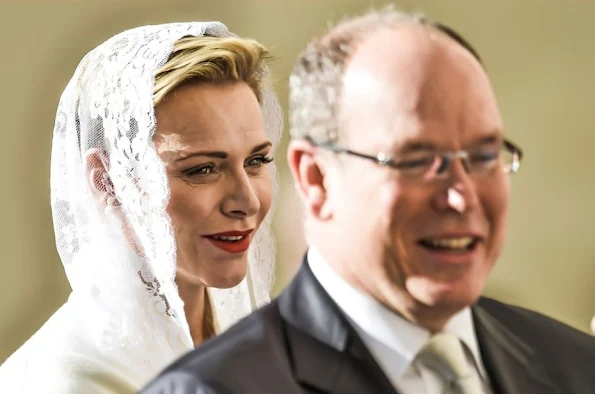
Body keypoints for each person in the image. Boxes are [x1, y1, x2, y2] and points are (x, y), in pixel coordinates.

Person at [140, 7, 595, 394]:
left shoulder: (576, 365)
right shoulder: (212, 389)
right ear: (316, 179)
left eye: (482, 156)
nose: (461, 197)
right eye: (417, 160)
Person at [0, 21, 282, 393]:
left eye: (256, 161)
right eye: (202, 169)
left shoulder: (242, 326)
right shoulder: (63, 382)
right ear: (108, 182)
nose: (246, 201)